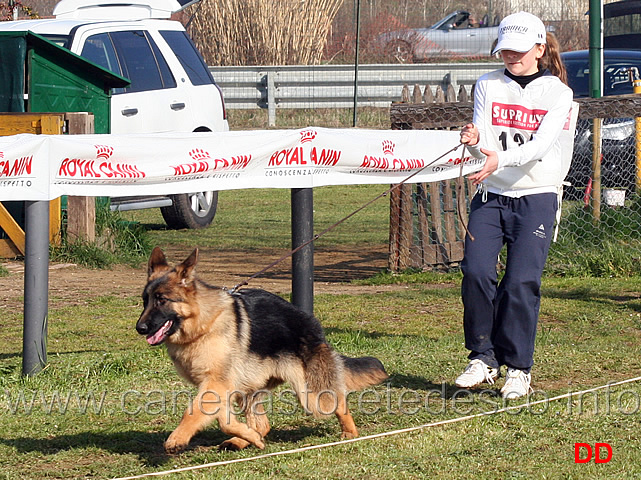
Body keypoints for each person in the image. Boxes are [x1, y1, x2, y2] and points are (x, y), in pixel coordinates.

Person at [455, 11, 574, 399]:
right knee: (475, 271)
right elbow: (484, 138)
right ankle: (483, 358)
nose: (511, 57)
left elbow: (539, 146)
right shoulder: (487, 84)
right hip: (491, 194)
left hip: (537, 195)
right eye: (505, 50)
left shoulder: (558, 93)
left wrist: (495, 159)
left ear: (540, 49)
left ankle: (518, 368)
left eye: (519, 51)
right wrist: (473, 139)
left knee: (522, 281)